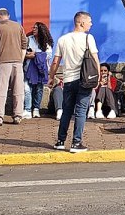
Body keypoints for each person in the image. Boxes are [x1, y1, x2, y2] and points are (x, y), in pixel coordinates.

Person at [49, 11, 98, 153]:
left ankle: (60, 141)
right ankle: (76, 142)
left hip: (68, 80)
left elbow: (55, 61)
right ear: (81, 23)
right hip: (84, 80)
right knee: (81, 111)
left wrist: (51, 77)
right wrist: (98, 77)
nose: (91, 24)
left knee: (66, 111)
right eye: (89, 21)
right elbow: (95, 59)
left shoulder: (63, 39)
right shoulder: (89, 38)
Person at [0, 8, 29, 126]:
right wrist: (20, 60)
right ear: (8, 15)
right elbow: (24, 45)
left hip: (2, 62)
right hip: (17, 62)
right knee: (18, 90)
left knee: (1, 90)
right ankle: (17, 115)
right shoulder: (18, 26)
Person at [24, 21, 54, 119]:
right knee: (27, 89)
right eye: (33, 27)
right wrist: (36, 54)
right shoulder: (28, 40)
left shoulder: (46, 43)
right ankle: (27, 109)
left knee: (39, 89)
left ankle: (36, 108)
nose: (33, 29)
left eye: (36, 28)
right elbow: (24, 54)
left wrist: (34, 54)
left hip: (41, 69)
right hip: (28, 68)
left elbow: (47, 55)